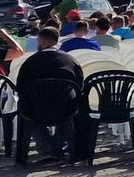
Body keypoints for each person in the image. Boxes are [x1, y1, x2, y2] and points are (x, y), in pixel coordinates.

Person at [16, 27, 83, 162]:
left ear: (42, 41)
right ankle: (58, 147)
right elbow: (79, 85)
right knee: (74, 107)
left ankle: (46, 147)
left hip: (35, 109)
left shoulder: (30, 62)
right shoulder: (70, 60)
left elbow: (20, 87)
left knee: (26, 110)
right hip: (65, 108)